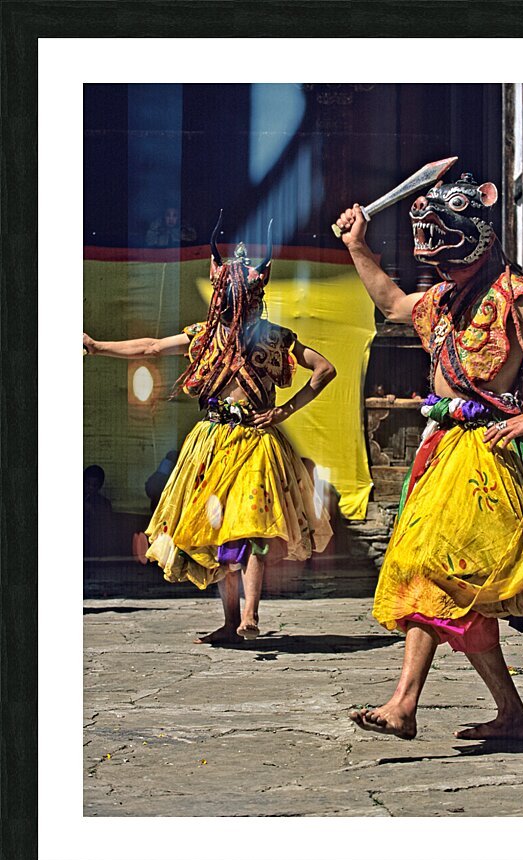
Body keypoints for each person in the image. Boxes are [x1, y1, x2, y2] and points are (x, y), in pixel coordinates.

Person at [335, 169, 523, 741]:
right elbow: (391, 304)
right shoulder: (440, 299)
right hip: (443, 452)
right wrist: (358, 245)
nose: (438, 261)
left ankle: (406, 703)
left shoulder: (512, 293)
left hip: (485, 454)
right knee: (442, 582)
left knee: (434, 567)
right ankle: (501, 714)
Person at [84, 215, 335, 642]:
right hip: (213, 442)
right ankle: (230, 621)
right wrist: (97, 346)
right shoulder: (204, 336)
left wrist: (283, 411)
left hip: (257, 443)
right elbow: (151, 346)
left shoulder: (274, 338)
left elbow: (324, 369)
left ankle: (250, 615)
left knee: (251, 527)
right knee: (220, 532)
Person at [83, 465, 115, 557]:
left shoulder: (104, 504)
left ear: (100, 486)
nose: (90, 488)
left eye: (94, 485)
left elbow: (106, 528)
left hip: (94, 548)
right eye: (87, 484)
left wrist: (93, 512)